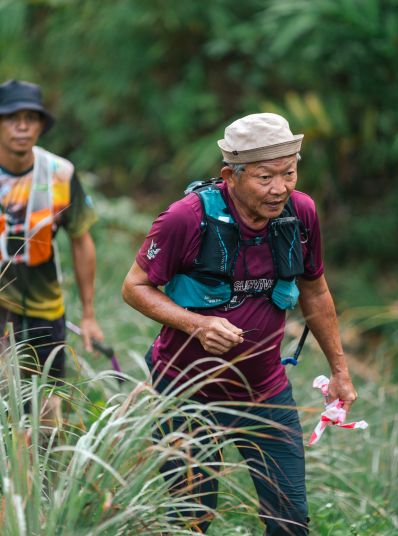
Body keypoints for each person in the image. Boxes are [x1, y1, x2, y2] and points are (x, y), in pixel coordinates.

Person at [122, 112, 357, 535]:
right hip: (185, 393)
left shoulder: (300, 213)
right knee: (190, 521)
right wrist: (196, 325)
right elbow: (134, 287)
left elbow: (316, 292)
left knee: (290, 521)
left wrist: (340, 371)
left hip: (265, 392)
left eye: (289, 173)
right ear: (231, 176)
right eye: (266, 177)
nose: (280, 188)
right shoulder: (185, 218)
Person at [0, 79, 103, 426]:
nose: (22, 127)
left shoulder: (60, 173)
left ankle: (43, 460)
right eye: (12, 118)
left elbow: (81, 239)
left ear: (41, 125)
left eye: (31, 118)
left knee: (46, 401)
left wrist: (88, 314)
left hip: (45, 306)